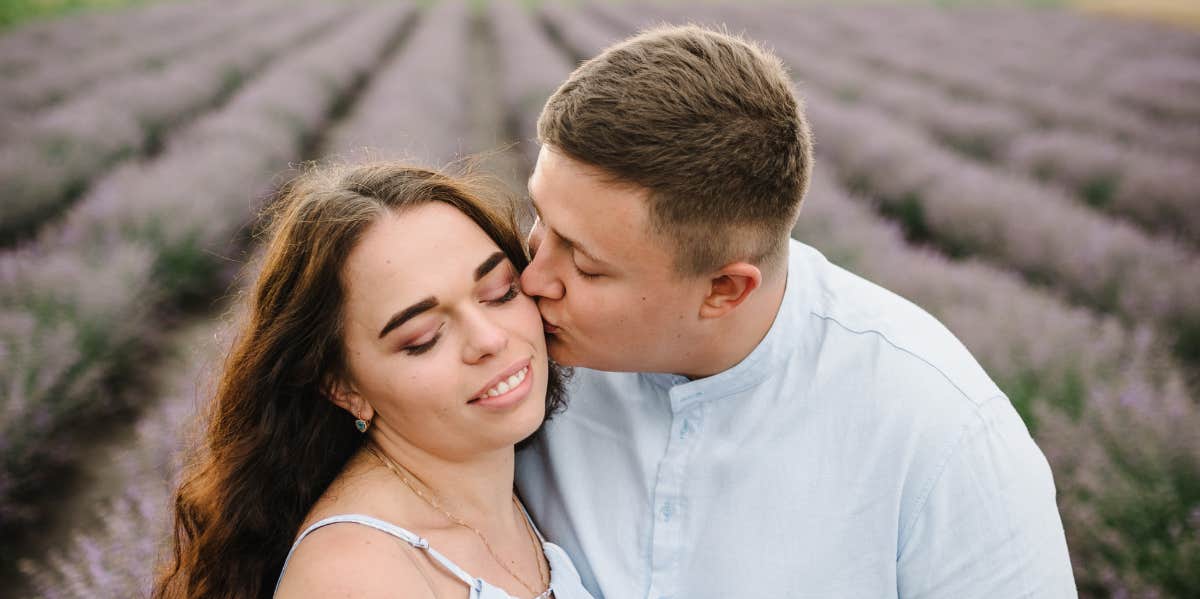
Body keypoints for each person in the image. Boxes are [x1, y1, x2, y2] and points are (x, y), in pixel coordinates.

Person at [515, 25, 1077, 598]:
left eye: (585, 265)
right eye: (539, 218)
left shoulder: (942, 436)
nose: (532, 279)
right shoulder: (506, 351)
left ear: (725, 291)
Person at [153, 162, 595, 599]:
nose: (489, 339)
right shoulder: (353, 578)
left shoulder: (523, 481)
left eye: (501, 292)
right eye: (422, 338)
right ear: (343, 387)